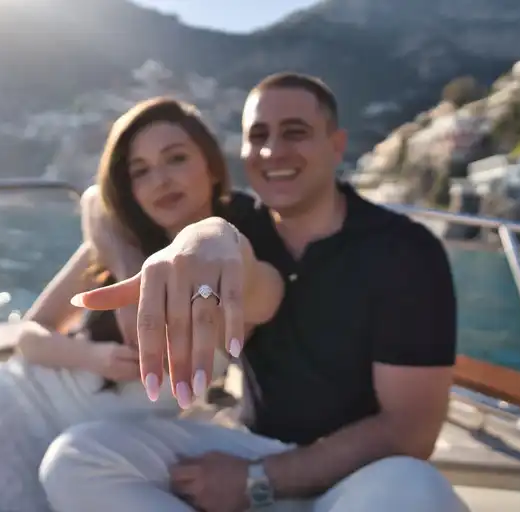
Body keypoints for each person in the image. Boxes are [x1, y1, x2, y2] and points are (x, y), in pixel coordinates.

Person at [41, 73, 470, 511]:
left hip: (358, 471)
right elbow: (108, 204)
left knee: (417, 488)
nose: (273, 151)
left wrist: (256, 480)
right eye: (258, 136)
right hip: (254, 445)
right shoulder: (241, 221)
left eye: (295, 133)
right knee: (78, 457)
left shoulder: (404, 251)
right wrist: (189, 246)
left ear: (336, 145)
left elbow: (410, 430)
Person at [0, 97, 283, 512]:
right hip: (19, 398)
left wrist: (212, 239)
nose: (160, 179)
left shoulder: (228, 257)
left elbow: (258, 293)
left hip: (85, 445)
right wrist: (95, 355)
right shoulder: (120, 242)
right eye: (140, 171)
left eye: (176, 158)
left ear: (211, 164)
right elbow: (30, 337)